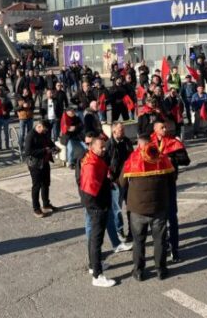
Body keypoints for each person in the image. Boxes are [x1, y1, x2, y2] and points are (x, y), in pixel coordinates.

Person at [120, 135, 175, 281]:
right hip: (159, 207)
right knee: (160, 240)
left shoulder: (132, 159)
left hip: (137, 208)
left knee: (138, 241)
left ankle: (138, 271)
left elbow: (122, 182)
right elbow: (172, 179)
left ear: (139, 145)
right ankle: (161, 270)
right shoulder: (162, 158)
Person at [79, 136, 116, 287]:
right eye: (101, 147)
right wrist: (100, 207)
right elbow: (89, 192)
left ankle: (93, 265)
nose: (104, 149)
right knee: (96, 240)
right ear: (92, 147)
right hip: (97, 207)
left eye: (104, 146)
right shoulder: (91, 164)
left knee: (95, 239)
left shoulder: (94, 159)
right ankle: (97, 275)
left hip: (97, 205)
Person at [152, 121, 189, 263]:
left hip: (169, 183)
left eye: (165, 127)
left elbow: (185, 160)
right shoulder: (150, 143)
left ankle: (175, 248)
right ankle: (164, 244)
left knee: (172, 217)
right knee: (159, 219)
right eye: (161, 127)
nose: (165, 129)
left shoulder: (173, 142)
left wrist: (171, 158)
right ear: (155, 130)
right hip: (155, 186)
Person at [24, 121, 59, 217]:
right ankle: (36, 208)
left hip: (45, 162)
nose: (45, 132)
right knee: (37, 186)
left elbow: (49, 143)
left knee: (46, 184)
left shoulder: (44, 133)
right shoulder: (30, 135)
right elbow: (28, 152)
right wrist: (44, 150)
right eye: (44, 130)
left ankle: (46, 204)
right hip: (35, 164)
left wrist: (54, 148)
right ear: (39, 126)